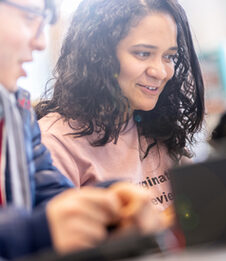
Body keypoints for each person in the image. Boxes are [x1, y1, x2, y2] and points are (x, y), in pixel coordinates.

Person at [0, 0, 163, 260]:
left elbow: (52, 202)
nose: (41, 42)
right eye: (30, 19)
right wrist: (32, 234)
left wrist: (111, 207)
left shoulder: (13, 114)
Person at [36, 0, 205, 211]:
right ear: (97, 56)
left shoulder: (157, 128)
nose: (161, 72)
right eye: (143, 54)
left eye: (169, 56)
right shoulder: (54, 144)